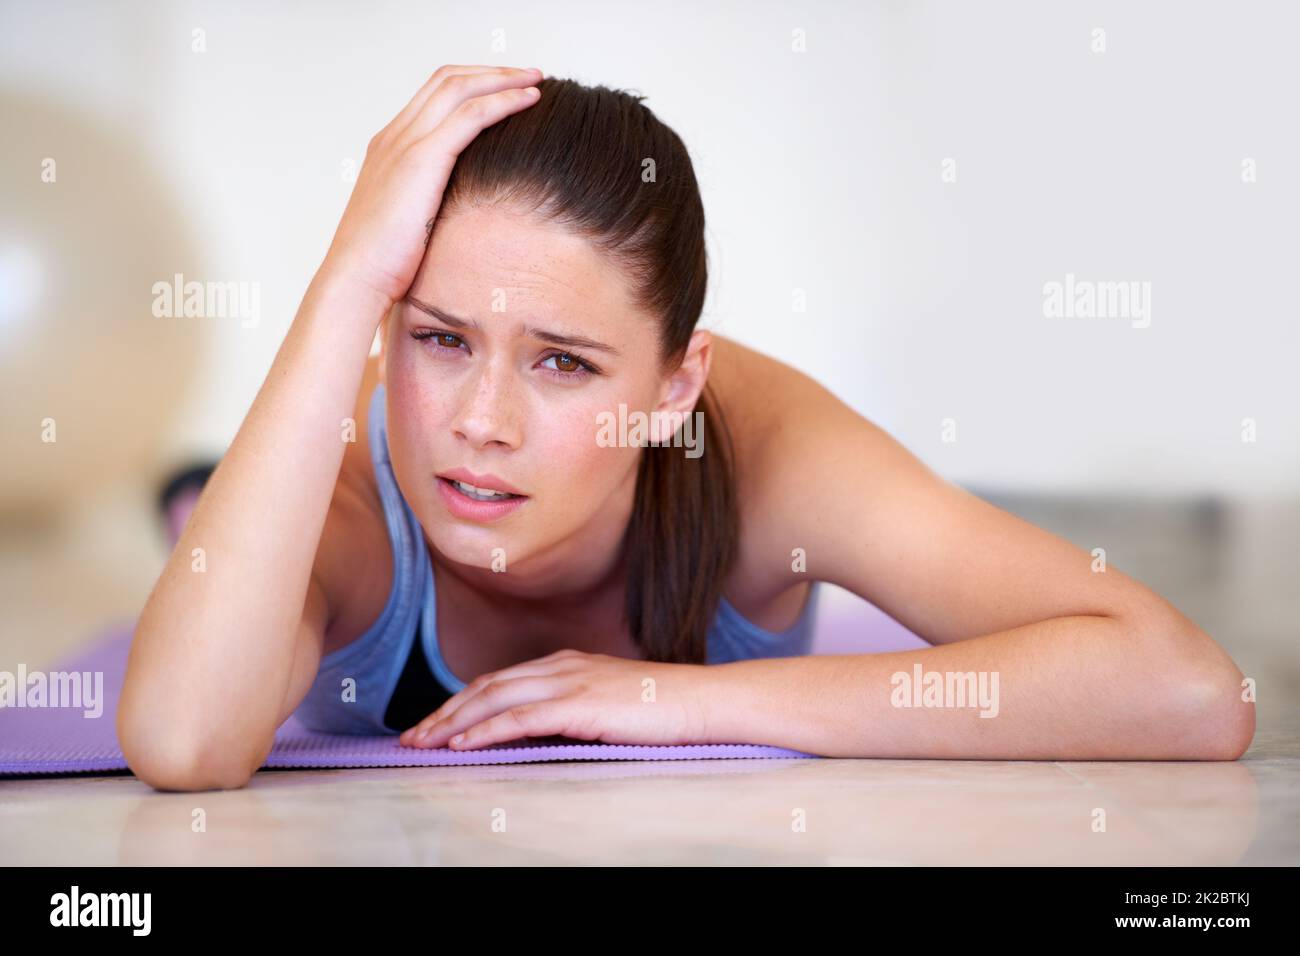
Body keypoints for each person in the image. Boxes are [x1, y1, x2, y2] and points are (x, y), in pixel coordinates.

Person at [117, 66, 1254, 792]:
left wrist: (667, 696)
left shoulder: (770, 451)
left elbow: (1188, 689)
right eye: (439, 337)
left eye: (563, 362)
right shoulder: (360, 489)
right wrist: (345, 282)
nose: (478, 424)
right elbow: (179, 737)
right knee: (220, 516)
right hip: (302, 486)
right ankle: (201, 491)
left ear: (673, 386)